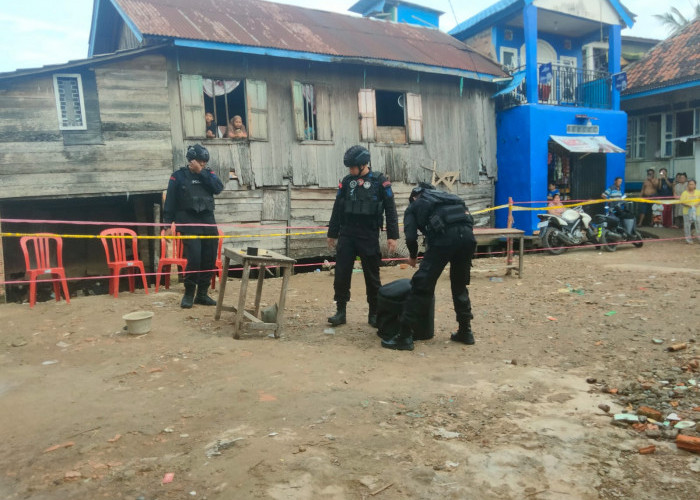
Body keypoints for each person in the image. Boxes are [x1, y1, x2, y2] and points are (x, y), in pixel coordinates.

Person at [381, 183, 477, 351]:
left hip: (443, 240)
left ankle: (404, 336)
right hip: (468, 237)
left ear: (413, 197)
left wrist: (413, 256)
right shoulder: (450, 197)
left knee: (421, 285)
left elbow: (410, 238)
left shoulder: (414, 206)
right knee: (459, 285)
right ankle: (465, 331)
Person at [327, 145, 399, 327]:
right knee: (341, 274)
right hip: (347, 234)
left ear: (362, 164)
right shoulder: (346, 181)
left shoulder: (380, 181)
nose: (350, 171)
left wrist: (392, 235)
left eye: (353, 167)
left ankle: (374, 313)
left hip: (368, 235)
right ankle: (340, 311)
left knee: (372, 276)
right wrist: (332, 233)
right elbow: (337, 208)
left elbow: (390, 209)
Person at [163, 144, 224, 308]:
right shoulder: (178, 176)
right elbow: (170, 202)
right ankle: (189, 293)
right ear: (191, 160)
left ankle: (202, 295)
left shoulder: (208, 174)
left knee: (209, 258)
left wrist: (201, 173)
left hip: (208, 221)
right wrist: (167, 225)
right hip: (188, 222)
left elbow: (218, 188)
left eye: (204, 161)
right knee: (194, 259)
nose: (203, 163)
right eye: (200, 161)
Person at [679, 179, 700, 244]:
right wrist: (689, 206)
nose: (691, 186)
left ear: (695, 185)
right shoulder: (684, 193)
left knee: (698, 225)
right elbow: (682, 202)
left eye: (692, 184)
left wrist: (697, 204)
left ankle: (699, 238)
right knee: (687, 226)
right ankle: (689, 240)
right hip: (687, 212)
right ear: (687, 185)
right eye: (689, 184)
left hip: (697, 212)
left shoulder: (698, 192)